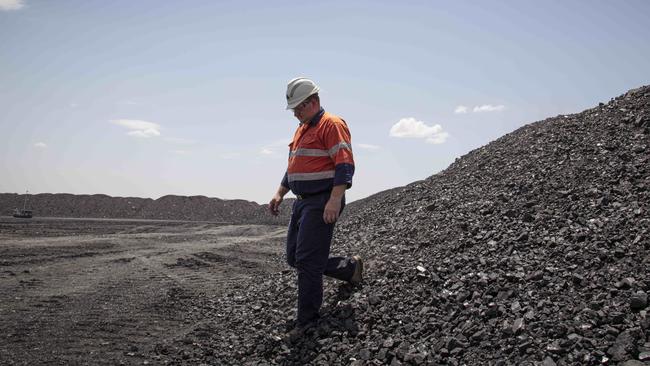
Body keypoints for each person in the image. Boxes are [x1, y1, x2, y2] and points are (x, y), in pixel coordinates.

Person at [269, 77, 363, 334]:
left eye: (300, 107)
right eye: (294, 109)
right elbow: (294, 167)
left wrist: (334, 199)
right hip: (302, 202)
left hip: (322, 199)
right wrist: (279, 193)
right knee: (294, 257)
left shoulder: (331, 124)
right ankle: (350, 268)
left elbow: (345, 164)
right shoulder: (302, 128)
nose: (296, 113)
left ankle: (307, 321)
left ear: (314, 101)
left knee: (308, 261)